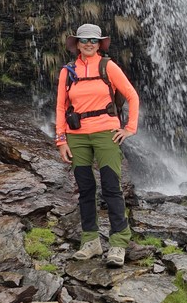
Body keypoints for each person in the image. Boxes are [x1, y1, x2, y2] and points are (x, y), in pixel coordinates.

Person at [55, 23, 139, 267]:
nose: (89, 44)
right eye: (84, 40)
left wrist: (129, 129)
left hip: (106, 134)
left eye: (93, 40)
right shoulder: (67, 71)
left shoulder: (108, 66)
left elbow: (132, 96)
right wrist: (61, 140)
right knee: (85, 189)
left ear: (100, 43)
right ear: (77, 44)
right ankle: (90, 240)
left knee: (112, 187)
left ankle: (118, 242)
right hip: (77, 136)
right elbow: (61, 106)